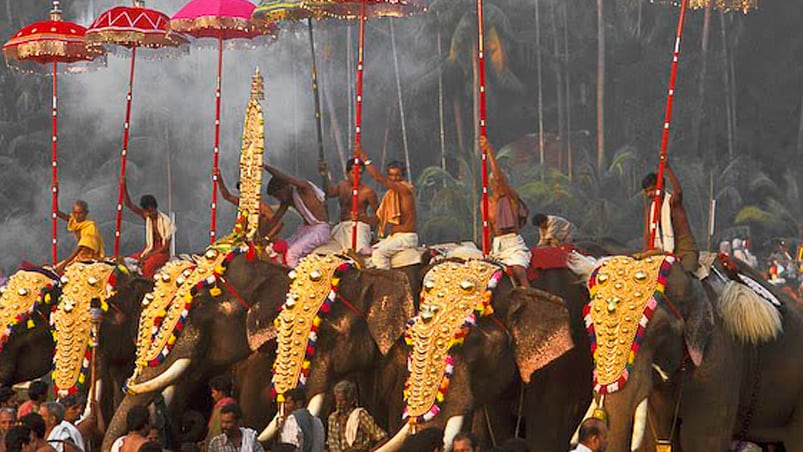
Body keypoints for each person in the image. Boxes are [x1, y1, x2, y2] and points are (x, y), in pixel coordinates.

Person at [354, 145, 418, 269]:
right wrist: (359, 218)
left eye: (397, 175)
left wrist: (364, 158)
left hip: (407, 238)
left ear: (403, 176)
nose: (394, 179)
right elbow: (376, 220)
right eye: (391, 176)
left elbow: (378, 178)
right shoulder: (389, 195)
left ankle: (386, 282)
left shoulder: (405, 189)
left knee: (378, 254)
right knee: (365, 252)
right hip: (393, 238)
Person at [483, 137, 532, 287]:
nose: (496, 185)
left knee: (518, 271)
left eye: (499, 182)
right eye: (494, 183)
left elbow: (499, 178)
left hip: (514, 246)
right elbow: (486, 229)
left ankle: (529, 300)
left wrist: (489, 151)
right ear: (490, 185)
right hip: (496, 247)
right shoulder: (486, 203)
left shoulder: (511, 197)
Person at [263, 164, 330, 268]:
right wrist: (260, 237)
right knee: (281, 249)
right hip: (306, 230)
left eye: (278, 195)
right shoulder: (287, 200)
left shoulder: (304, 188)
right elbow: (275, 219)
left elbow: (286, 178)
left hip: (320, 230)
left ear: (286, 187)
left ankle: (292, 283)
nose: (278, 199)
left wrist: (265, 166)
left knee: (291, 254)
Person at [642, 163, 699, 273]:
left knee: (685, 277)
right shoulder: (650, 211)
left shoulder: (673, 202)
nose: (650, 194)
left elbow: (678, 192)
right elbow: (647, 236)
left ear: (662, 187)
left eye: (653, 190)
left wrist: (667, 168)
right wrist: (646, 256)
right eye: (647, 191)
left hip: (685, 252)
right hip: (661, 255)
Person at [319, 159, 378, 252]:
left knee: (360, 251)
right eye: (354, 173)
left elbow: (379, 217)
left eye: (360, 173)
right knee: (325, 252)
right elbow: (329, 193)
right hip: (342, 227)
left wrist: (361, 219)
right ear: (347, 173)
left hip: (359, 227)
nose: (358, 176)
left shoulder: (368, 192)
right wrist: (324, 173)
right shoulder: (342, 185)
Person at [122, 180, 175, 279]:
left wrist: (147, 257)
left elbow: (165, 247)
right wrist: (123, 186)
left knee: (146, 268)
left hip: (161, 254)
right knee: (126, 261)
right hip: (149, 250)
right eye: (146, 211)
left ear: (155, 208)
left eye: (150, 211)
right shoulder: (146, 216)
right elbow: (128, 204)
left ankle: (149, 291)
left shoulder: (166, 221)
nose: (149, 214)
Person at [216, 170, 284, 241]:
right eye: (242, 191)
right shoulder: (244, 203)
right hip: (246, 240)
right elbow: (227, 196)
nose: (244, 194)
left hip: (260, 241)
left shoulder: (262, 206)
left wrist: (266, 238)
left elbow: (279, 224)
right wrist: (219, 180)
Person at [326, 380, 387, 452]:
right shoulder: (332, 418)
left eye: (343, 400)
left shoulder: (360, 415)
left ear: (351, 400)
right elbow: (330, 445)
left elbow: (383, 438)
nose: (339, 404)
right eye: (337, 400)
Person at [54, 198, 105, 274]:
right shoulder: (76, 221)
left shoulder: (90, 227)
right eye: (75, 213)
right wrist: (56, 193)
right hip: (79, 256)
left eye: (80, 213)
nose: (77, 216)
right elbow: (56, 212)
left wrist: (64, 264)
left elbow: (81, 247)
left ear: (86, 213)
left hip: (89, 258)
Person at [205, 376, 237, 447]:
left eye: (213, 392)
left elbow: (215, 432)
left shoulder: (222, 408)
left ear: (221, 392)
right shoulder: (233, 405)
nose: (212, 395)